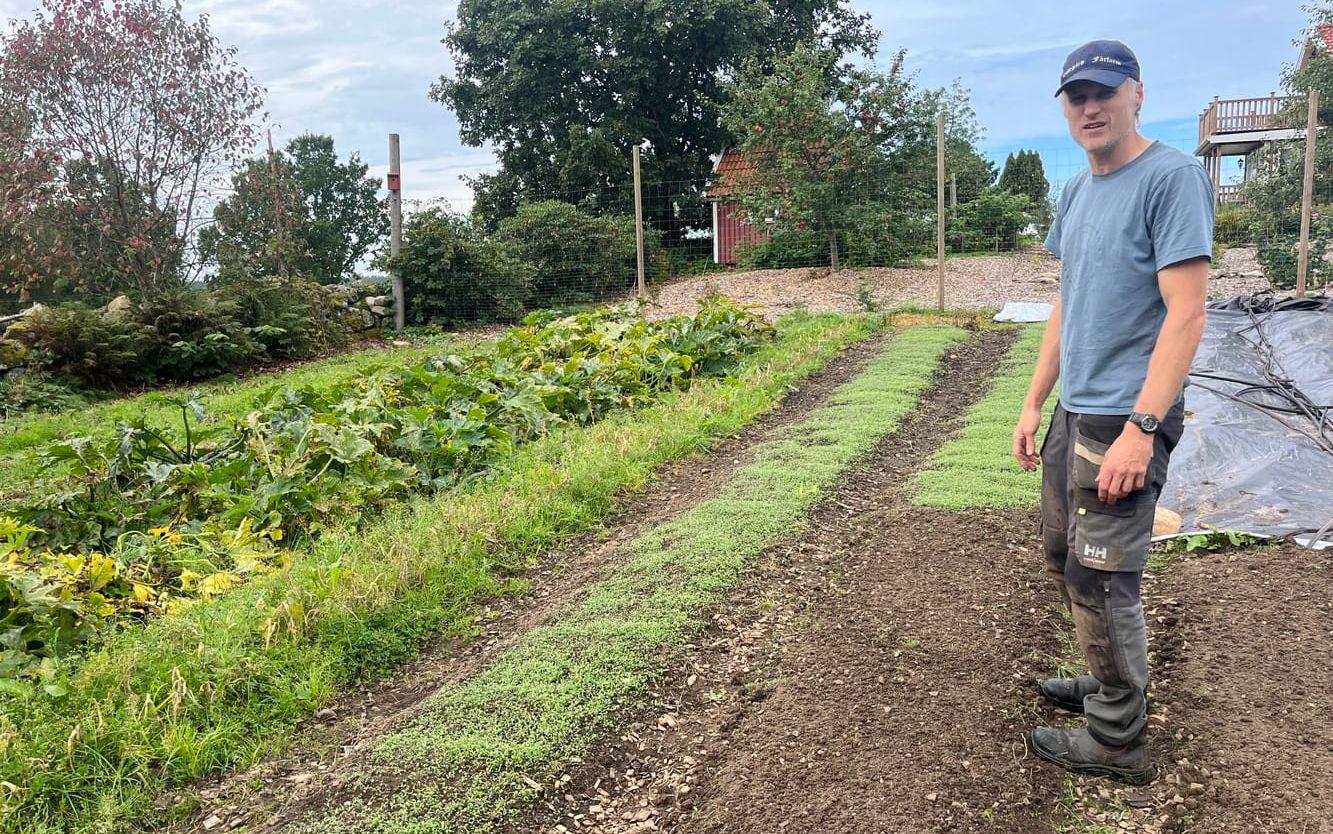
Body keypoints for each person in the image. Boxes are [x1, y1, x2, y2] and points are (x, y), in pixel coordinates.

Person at [1012, 39, 1212, 785]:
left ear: (1137, 95)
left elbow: (1185, 314)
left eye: (1103, 92)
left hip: (1125, 421)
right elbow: (1069, 302)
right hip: (1076, 413)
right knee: (1065, 557)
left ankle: (1117, 738)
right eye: (1075, 96)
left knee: (1103, 580)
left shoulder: (1171, 177)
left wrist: (1141, 428)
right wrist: (1034, 402)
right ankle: (1105, 685)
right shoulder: (1077, 192)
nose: (1088, 108)